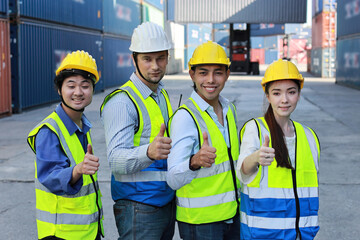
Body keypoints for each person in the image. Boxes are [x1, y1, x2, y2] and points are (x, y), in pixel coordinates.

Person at [100, 22, 175, 240]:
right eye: (147, 59)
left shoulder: (161, 94)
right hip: (138, 208)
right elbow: (115, 160)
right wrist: (149, 152)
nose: (155, 66)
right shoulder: (122, 102)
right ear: (134, 59)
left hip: (165, 203)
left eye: (160, 58)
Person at [236, 59, 320, 240]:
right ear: (267, 96)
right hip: (262, 234)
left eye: (291, 92)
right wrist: (255, 158)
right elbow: (242, 170)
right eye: (276, 93)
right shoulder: (255, 129)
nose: (284, 99)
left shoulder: (308, 136)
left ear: (299, 93)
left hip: (301, 235)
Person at [167, 41, 241, 240]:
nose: (211, 80)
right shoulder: (185, 117)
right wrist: (194, 162)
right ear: (192, 75)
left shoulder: (229, 110)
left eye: (218, 72)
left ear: (227, 74)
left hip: (232, 216)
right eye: (203, 72)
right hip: (200, 224)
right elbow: (173, 178)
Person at [27, 50, 104, 240]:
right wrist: (77, 170)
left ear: (93, 89)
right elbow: (50, 177)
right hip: (60, 234)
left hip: (85, 232)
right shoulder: (49, 130)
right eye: (71, 85)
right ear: (60, 89)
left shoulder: (82, 125)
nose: (78, 92)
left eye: (85, 86)